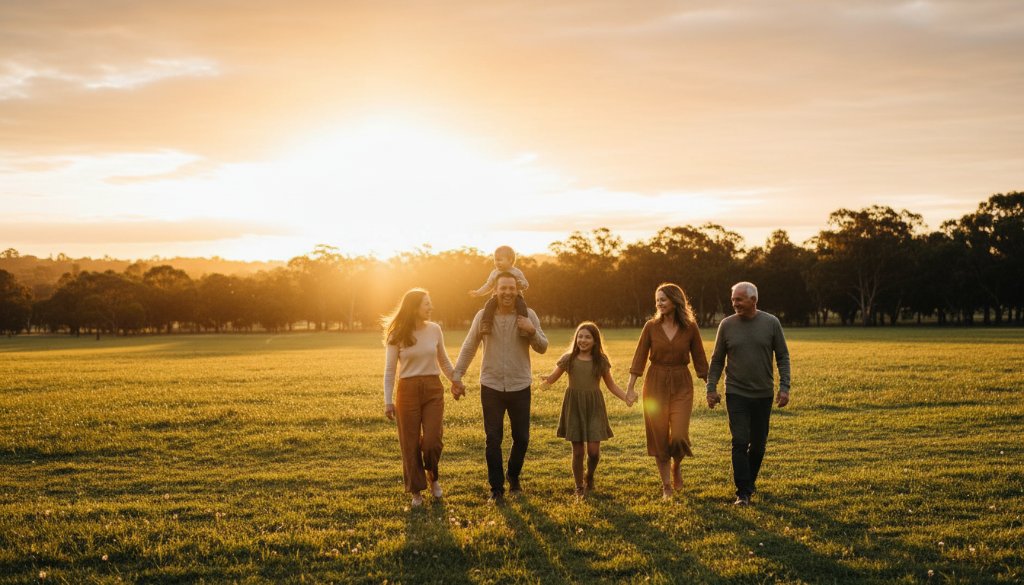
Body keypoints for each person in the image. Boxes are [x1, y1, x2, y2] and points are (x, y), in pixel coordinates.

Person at [452, 271, 548, 503]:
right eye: (502, 288)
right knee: (493, 439)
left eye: (511, 288)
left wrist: (531, 330)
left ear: (517, 290)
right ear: (494, 290)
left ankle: (513, 476)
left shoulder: (529, 315)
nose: (507, 292)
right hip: (491, 385)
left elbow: (543, 347)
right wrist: (457, 375)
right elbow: (469, 346)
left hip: (520, 385)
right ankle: (496, 489)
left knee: (522, 438)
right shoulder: (483, 316)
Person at [705, 281, 791, 506]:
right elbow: (717, 360)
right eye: (733, 299)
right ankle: (742, 492)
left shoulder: (771, 323)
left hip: (763, 394)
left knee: (758, 445)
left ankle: (749, 483)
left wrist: (784, 387)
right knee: (740, 441)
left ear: (753, 300)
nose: (735, 303)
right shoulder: (726, 325)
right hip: (736, 393)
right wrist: (711, 388)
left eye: (739, 299)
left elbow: (783, 356)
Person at [627, 283, 709, 500]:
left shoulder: (690, 327)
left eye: (663, 299)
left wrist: (710, 388)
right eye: (657, 300)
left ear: (675, 300)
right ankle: (666, 486)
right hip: (655, 382)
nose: (659, 304)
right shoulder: (651, 327)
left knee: (679, 436)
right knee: (659, 436)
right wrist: (630, 388)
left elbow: (700, 359)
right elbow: (639, 358)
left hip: (682, 382)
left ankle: (676, 466)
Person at [540, 322, 634, 497]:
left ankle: (589, 475)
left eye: (587, 337)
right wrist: (546, 380)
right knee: (578, 452)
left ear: (595, 340)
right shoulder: (568, 359)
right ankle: (579, 487)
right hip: (574, 406)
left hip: (594, 407)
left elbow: (611, 385)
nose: (583, 340)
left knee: (593, 452)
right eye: (580, 336)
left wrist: (626, 398)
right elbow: (553, 377)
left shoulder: (601, 361)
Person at [382, 288, 456, 508]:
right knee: (410, 442)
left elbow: (444, 361)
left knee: (432, 440)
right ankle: (416, 490)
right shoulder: (397, 334)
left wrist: (456, 380)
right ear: (414, 307)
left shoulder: (435, 329)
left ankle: (433, 475)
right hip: (407, 390)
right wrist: (388, 401)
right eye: (426, 303)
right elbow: (390, 370)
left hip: (433, 389)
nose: (431, 307)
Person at [468, 245, 530, 336]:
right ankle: (486, 324)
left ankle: (523, 328)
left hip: (516, 296)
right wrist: (478, 292)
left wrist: (521, 284)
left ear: (510, 260)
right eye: (495, 260)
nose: (497, 262)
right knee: (489, 305)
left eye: (500, 260)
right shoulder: (494, 273)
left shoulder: (517, 272)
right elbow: (488, 285)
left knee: (522, 306)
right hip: (497, 297)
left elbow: (526, 284)